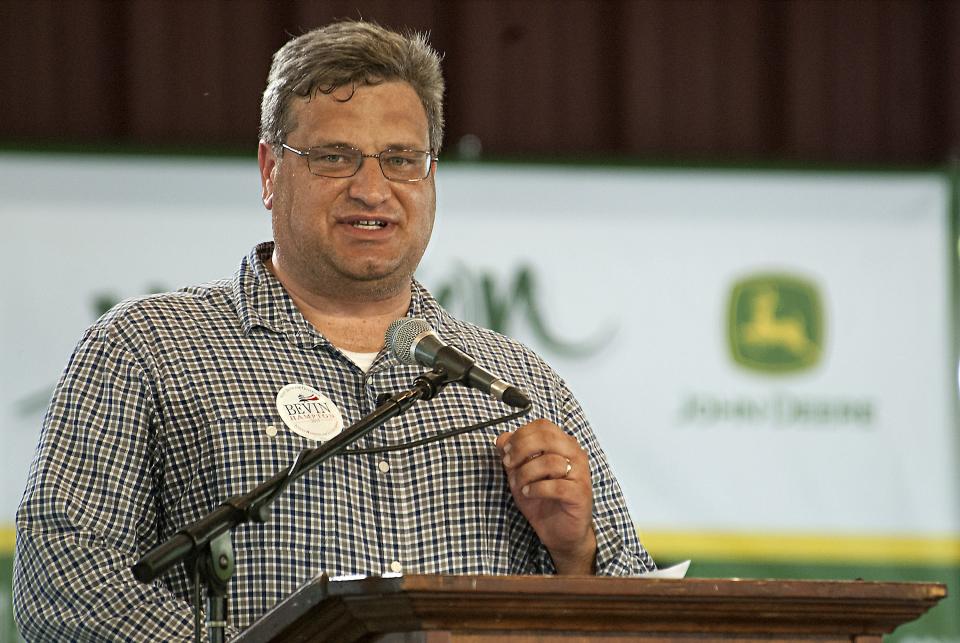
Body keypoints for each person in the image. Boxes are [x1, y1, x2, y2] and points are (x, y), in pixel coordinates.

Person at [13, 20, 655, 640]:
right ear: (270, 171)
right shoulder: (147, 349)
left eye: (402, 159)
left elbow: (640, 609)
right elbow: (64, 586)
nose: (372, 190)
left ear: (431, 175)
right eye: (334, 157)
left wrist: (577, 558)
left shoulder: (517, 383)